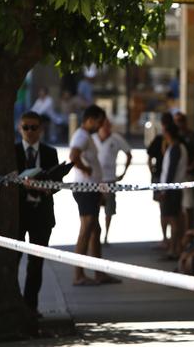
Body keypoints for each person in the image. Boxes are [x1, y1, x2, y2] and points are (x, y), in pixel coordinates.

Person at [69, 104, 121, 286]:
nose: (100, 126)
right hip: (86, 190)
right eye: (99, 122)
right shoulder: (82, 136)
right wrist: (87, 170)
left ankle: (99, 273)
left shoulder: (86, 136)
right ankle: (78, 275)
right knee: (86, 230)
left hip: (92, 189)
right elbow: (73, 156)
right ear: (89, 120)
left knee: (95, 230)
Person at [15, 111, 59, 317]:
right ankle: (15, 304)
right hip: (18, 214)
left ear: (41, 129)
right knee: (12, 259)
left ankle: (30, 306)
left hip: (42, 215)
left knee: (36, 263)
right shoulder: (12, 151)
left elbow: (58, 183)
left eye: (34, 127)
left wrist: (47, 188)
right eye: (26, 127)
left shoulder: (50, 153)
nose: (30, 132)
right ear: (19, 128)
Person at [93, 117, 132, 245]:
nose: (106, 128)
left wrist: (123, 172)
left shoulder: (116, 139)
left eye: (108, 125)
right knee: (93, 207)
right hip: (95, 180)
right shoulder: (92, 138)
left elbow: (129, 154)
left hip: (109, 179)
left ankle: (106, 235)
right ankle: (95, 234)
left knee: (109, 208)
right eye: (104, 125)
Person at [158, 122, 188, 259]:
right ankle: (174, 247)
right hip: (172, 188)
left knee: (174, 220)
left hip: (172, 189)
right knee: (173, 219)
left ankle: (174, 249)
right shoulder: (173, 147)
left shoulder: (176, 148)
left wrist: (165, 190)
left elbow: (171, 171)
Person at [147, 112, 176, 248]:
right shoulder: (160, 140)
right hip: (160, 177)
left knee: (168, 211)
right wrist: (152, 171)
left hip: (168, 180)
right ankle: (166, 238)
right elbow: (150, 155)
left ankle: (169, 239)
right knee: (164, 209)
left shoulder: (174, 144)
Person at [173, 112, 194, 229]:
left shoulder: (191, 136)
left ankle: (188, 233)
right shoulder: (174, 136)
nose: (178, 124)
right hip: (175, 177)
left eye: (180, 121)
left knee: (188, 205)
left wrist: (190, 166)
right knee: (177, 208)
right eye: (176, 121)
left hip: (188, 176)